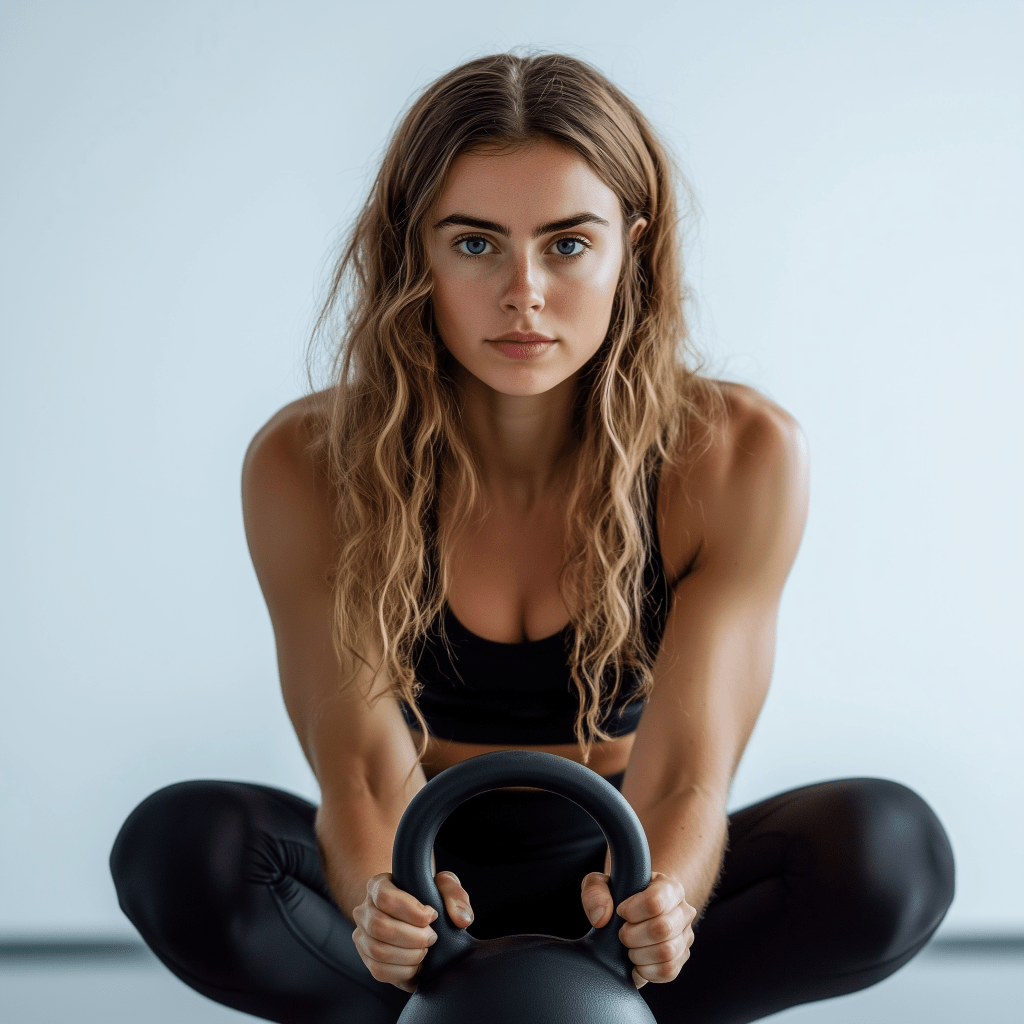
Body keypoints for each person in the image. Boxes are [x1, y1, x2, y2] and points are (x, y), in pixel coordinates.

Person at [110, 52, 954, 1024]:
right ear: (413, 251)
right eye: (474, 244)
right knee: (183, 845)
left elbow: (687, 773)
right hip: (418, 862)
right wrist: (387, 910)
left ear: (628, 248)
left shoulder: (738, 453)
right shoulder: (308, 459)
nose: (523, 293)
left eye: (565, 244)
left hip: (620, 866)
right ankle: (476, 1002)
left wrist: (658, 903)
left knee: (888, 845)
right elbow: (358, 768)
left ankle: (570, 1001)